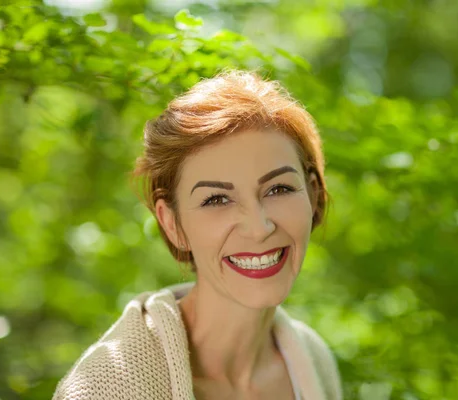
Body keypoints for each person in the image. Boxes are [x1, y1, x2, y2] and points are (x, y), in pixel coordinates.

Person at [52, 69, 342, 400]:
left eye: (278, 188)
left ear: (313, 194)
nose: (259, 227)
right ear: (172, 224)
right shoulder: (105, 387)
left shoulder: (313, 359)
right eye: (217, 199)